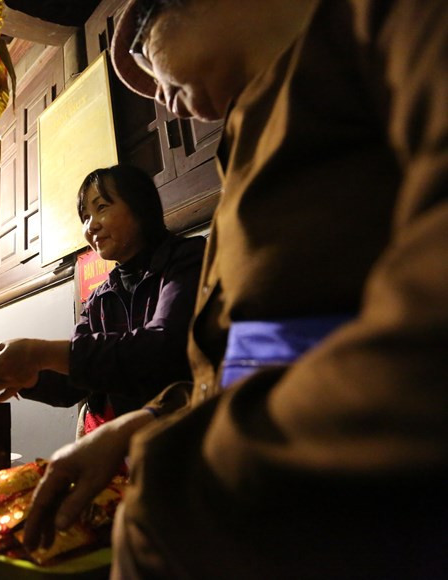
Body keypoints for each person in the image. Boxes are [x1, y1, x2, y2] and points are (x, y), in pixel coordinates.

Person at [22, 0, 448, 577]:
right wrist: (140, 425)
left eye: (147, 56)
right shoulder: (248, 131)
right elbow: (232, 364)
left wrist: (193, 470)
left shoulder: (384, 22)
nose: (156, 93)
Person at [0, 165, 205, 436]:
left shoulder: (188, 258)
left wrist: (38, 353)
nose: (91, 226)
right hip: (127, 448)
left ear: (141, 206)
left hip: (192, 438)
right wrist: (30, 377)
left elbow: (163, 349)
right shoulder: (100, 297)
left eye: (101, 208)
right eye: (85, 217)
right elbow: (73, 385)